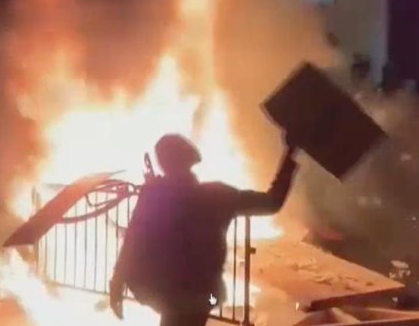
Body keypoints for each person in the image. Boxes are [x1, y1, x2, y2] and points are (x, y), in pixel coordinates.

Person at [108, 134, 298, 326]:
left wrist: (117, 282)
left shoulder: (155, 195)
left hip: (164, 294)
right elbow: (271, 203)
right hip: (204, 296)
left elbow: (133, 240)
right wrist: (289, 156)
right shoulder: (217, 195)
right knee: (207, 304)